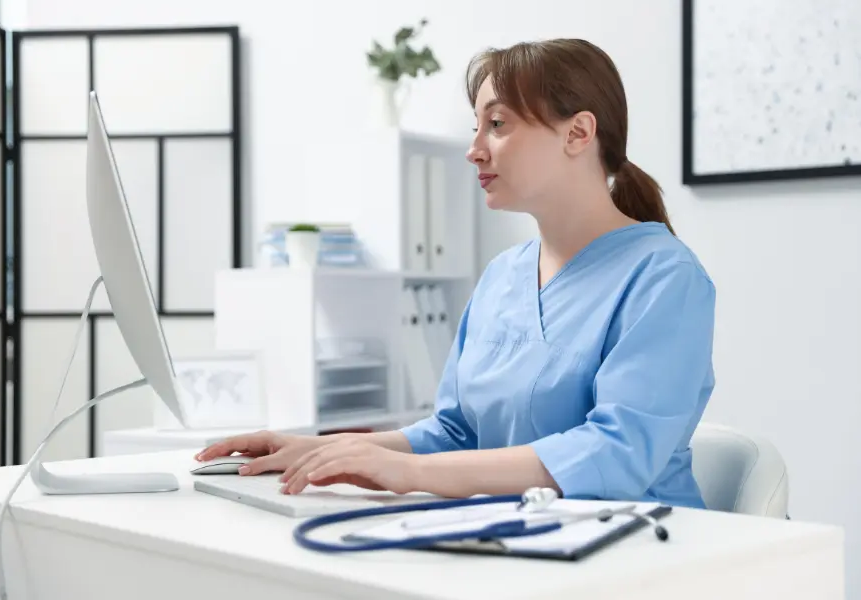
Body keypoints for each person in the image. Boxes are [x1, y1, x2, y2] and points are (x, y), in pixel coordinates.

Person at [196, 38, 716, 509]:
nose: (475, 150)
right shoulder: (503, 277)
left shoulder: (664, 277)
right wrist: (319, 448)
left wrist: (409, 472)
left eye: (497, 124)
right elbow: (454, 430)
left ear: (578, 132)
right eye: (477, 127)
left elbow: (616, 453)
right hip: (512, 538)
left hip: (638, 548)